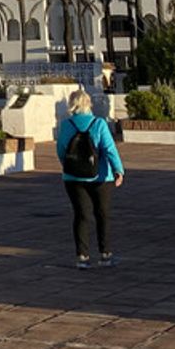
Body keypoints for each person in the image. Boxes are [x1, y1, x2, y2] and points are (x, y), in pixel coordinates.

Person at [54, 88, 124, 269]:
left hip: (73, 178)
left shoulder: (66, 125)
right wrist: (118, 170)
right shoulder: (99, 124)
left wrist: (69, 166)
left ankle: (82, 257)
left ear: (72, 105)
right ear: (88, 104)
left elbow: (61, 150)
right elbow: (109, 149)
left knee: (81, 215)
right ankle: (105, 254)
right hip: (101, 177)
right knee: (102, 215)